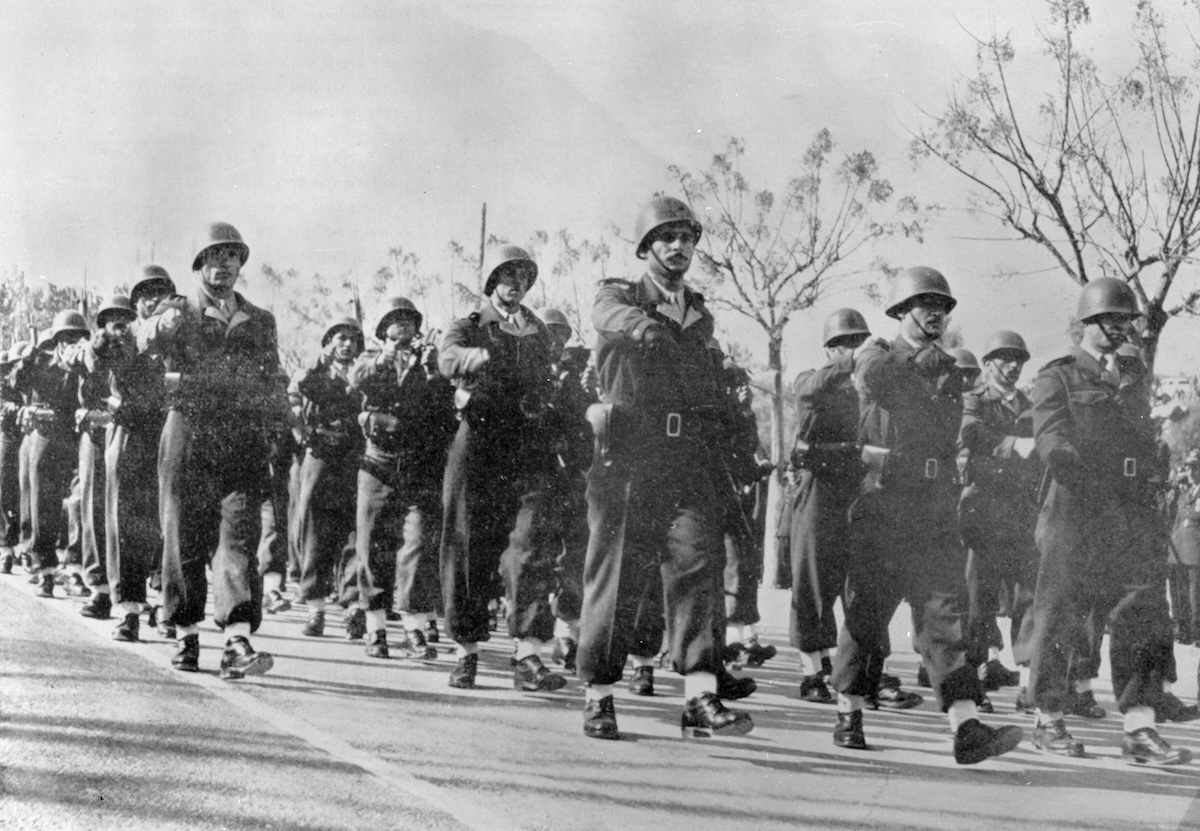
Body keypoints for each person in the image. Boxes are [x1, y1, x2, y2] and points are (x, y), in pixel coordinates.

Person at [576, 196, 753, 740]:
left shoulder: (699, 315)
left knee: (699, 568)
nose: (679, 247)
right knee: (618, 576)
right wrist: (645, 328)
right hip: (631, 457)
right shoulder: (621, 296)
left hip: (690, 459)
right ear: (647, 247)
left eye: (687, 238)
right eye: (667, 238)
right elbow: (605, 316)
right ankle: (599, 696)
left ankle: (700, 694)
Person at [831, 266, 1021, 764]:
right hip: (886, 499)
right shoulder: (879, 353)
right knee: (868, 612)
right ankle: (849, 709)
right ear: (901, 311)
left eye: (943, 306)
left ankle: (965, 724)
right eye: (925, 304)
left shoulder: (949, 367)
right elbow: (879, 380)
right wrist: (932, 361)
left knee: (944, 616)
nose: (936, 313)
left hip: (934, 503)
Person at [1027, 277, 1190, 763]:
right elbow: (1050, 436)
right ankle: (1048, 718)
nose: (1123, 328)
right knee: (1061, 614)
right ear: (1089, 323)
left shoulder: (1134, 375)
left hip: (1130, 510)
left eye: (1127, 320)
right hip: (1076, 507)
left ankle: (1138, 726)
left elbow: (1141, 438)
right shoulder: (1056, 376)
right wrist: (1072, 461)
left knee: (1140, 611)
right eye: (1114, 320)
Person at [154, 222, 285, 679]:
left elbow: (274, 379)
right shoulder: (178, 314)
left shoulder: (260, 320)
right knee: (185, 538)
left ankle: (237, 639)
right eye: (215, 256)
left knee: (239, 539)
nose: (224, 265)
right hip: (189, 438)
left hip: (242, 442)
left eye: (232, 257)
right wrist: (157, 326)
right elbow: (144, 350)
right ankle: (186, 633)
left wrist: (276, 423)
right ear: (199, 265)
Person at [439, 247, 565, 692]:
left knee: (529, 546)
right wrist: (470, 360)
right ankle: (467, 650)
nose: (516, 284)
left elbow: (552, 380)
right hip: (479, 445)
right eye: (507, 276)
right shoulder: (471, 326)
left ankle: (528, 654)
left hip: (528, 447)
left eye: (523, 277)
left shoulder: (538, 332)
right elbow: (446, 356)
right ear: (492, 281)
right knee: (468, 544)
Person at [350, 299, 453, 658]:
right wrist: (384, 358)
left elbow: (445, 399)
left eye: (409, 320)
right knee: (373, 547)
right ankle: (376, 628)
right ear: (382, 330)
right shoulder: (369, 359)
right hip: (377, 464)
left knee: (418, 546)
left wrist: (434, 367)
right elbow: (356, 378)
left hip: (418, 465)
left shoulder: (428, 360)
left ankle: (413, 629)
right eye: (396, 321)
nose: (404, 326)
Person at [789, 308, 871, 704]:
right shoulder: (814, 379)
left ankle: (859, 671)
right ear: (830, 348)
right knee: (814, 582)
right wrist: (850, 367)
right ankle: (812, 670)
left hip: (856, 487)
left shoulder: (866, 389)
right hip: (818, 486)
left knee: (859, 581)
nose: (854, 351)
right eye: (846, 344)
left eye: (859, 343)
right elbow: (806, 391)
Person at [956, 331, 1036, 712]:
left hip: (1021, 511)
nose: (1013, 366)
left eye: (1018, 360)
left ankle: (1031, 684)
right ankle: (973, 683)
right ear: (987, 364)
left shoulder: (1028, 403)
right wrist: (1012, 445)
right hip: (984, 509)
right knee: (978, 599)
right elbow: (969, 432)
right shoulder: (973, 400)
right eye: (1004, 359)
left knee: (1028, 597)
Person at [292, 316, 367, 640]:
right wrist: (304, 435)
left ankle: (352, 608)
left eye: (353, 339)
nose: (347, 344)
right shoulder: (313, 374)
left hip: (354, 458)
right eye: (340, 338)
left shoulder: (365, 376)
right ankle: (316, 609)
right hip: (320, 456)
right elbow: (292, 404)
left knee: (354, 534)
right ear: (329, 342)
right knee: (314, 533)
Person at [13, 310, 92, 599]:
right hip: (46, 439)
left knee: (78, 505)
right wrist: (29, 356)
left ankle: (73, 568)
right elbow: (16, 383)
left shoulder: (87, 363)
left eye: (79, 337)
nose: (73, 342)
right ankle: (44, 569)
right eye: (67, 337)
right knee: (43, 506)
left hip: (77, 438)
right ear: (57, 340)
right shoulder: (42, 364)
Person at [1169, 450, 1200, 646]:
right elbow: (1176, 515)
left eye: (1194, 467)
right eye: (1188, 467)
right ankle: (1183, 629)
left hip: (1195, 549)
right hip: (1179, 548)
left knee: (1195, 592)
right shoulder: (1185, 491)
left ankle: (1196, 630)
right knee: (1179, 591)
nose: (1189, 471)